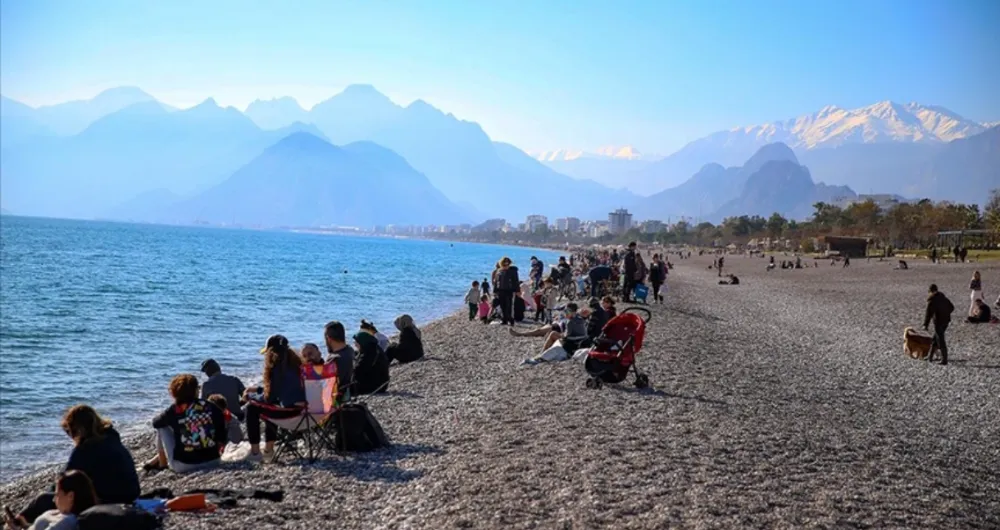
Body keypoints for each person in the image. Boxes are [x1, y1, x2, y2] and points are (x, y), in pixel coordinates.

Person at [14, 406, 140, 525]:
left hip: (110, 500)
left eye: (69, 432)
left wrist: (53, 494)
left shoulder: (86, 449)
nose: (70, 437)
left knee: (45, 499)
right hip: (131, 494)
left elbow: (63, 482)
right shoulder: (111, 437)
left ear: (78, 430)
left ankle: (18, 522)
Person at [244, 334, 307, 461]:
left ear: (271, 353)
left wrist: (251, 397)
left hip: (290, 414)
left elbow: (270, 397)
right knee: (271, 406)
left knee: (251, 408)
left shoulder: (277, 368)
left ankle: (255, 452)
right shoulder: (297, 365)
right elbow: (283, 389)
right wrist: (259, 391)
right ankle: (269, 449)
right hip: (306, 412)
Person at [148, 374, 227, 472]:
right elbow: (222, 432)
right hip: (214, 461)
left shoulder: (174, 410)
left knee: (162, 427)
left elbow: (155, 423)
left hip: (185, 466)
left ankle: (162, 465)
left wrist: (178, 424)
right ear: (195, 391)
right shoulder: (210, 406)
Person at [5, 471, 98, 530]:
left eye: (57, 495)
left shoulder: (67, 521)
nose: (53, 500)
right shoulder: (61, 514)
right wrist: (25, 526)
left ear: (70, 496)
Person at [520, 304, 589, 365]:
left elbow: (568, 336)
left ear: (573, 312)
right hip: (579, 343)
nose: (565, 313)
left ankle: (542, 354)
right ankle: (542, 353)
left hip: (572, 344)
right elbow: (582, 334)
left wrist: (563, 337)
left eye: (567, 311)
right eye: (565, 311)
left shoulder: (570, 322)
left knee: (553, 334)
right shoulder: (580, 319)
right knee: (553, 334)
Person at [199, 359, 246, 426]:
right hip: (238, 416)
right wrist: (238, 404)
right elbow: (246, 396)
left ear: (207, 373)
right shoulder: (234, 379)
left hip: (220, 419)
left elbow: (203, 406)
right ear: (219, 368)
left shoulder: (206, 385)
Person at [923, 284, 955, 366]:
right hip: (946, 320)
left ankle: (944, 359)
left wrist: (925, 325)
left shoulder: (932, 300)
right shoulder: (943, 297)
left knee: (940, 339)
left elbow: (928, 314)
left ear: (930, 291)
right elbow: (952, 307)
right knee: (935, 338)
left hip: (938, 322)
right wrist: (946, 313)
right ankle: (930, 357)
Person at [324, 321, 354, 400]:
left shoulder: (334, 360)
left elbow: (325, 386)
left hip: (335, 399)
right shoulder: (350, 350)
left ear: (328, 338)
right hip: (346, 394)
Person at [495, 257, 520, 326]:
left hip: (509, 291)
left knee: (508, 306)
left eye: (507, 264)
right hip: (500, 291)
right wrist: (495, 291)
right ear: (501, 264)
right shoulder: (499, 271)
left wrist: (517, 291)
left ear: (509, 264)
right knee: (502, 305)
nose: (506, 266)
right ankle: (504, 320)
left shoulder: (513, 271)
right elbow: (496, 282)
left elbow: (516, 281)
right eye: (504, 265)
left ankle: (510, 319)